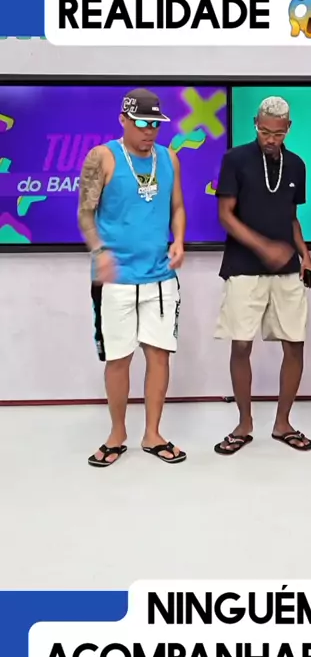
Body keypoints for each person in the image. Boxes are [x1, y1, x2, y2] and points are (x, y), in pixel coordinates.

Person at [78, 88, 187, 467]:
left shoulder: (169, 158)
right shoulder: (103, 157)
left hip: (160, 277)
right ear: (123, 120)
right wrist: (99, 252)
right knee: (118, 358)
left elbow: (177, 207)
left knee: (159, 355)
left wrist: (179, 240)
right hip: (115, 280)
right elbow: (85, 213)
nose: (149, 131)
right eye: (141, 123)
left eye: (155, 124)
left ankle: (153, 434)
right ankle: (117, 434)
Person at [214, 96, 311, 455]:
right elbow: (225, 215)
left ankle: (283, 423)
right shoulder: (235, 159)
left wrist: (305, 256)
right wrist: (264, 247)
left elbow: (291, 218)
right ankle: (244, 424)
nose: (270, 139)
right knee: (241, 344)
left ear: (288, 128)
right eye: (264, 131)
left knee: (294, 343)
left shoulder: (297, 165)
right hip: (243, 268)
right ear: (255, 124)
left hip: (287, 270)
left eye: (277, 133)